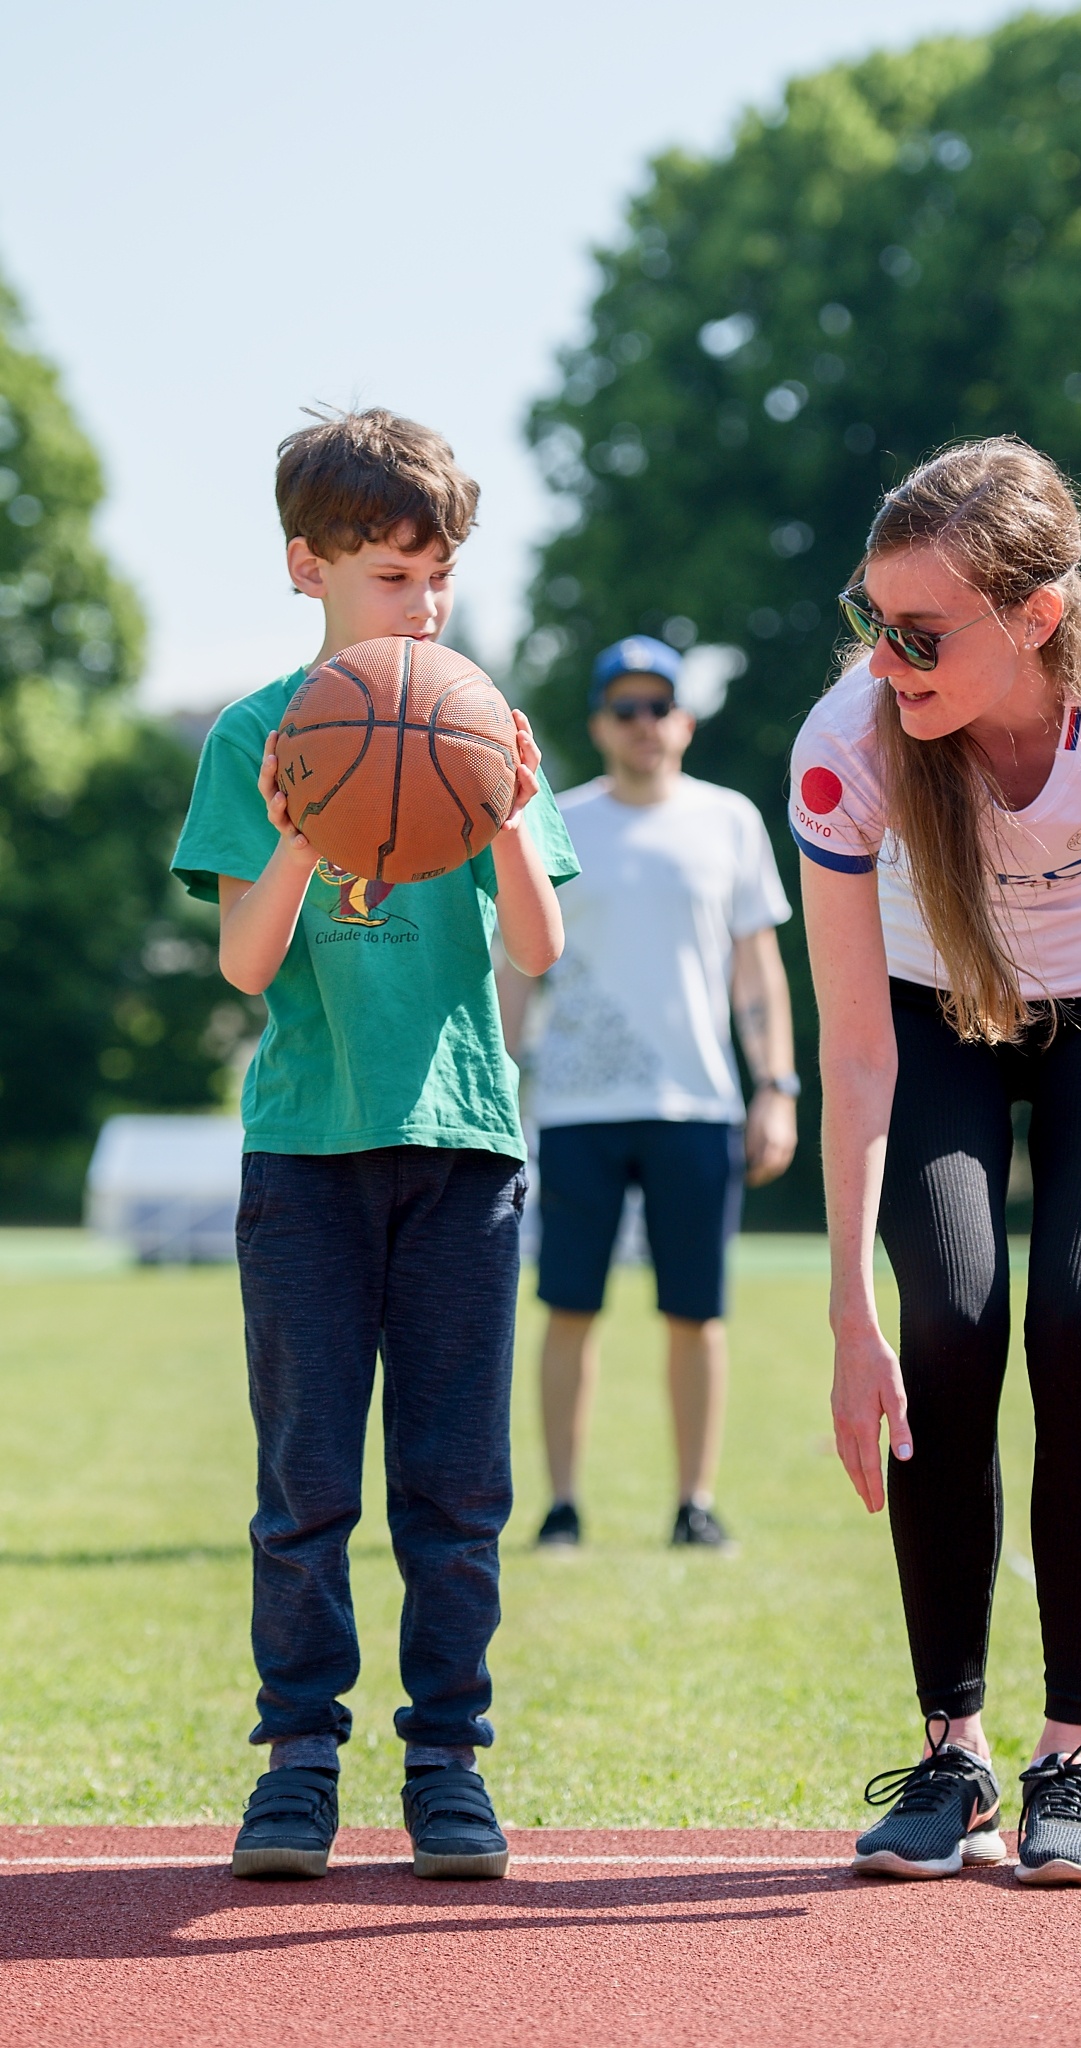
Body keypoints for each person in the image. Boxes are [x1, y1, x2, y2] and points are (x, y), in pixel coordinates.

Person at [791, 438, 1081, 1886]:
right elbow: (856, 1054)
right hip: (929, 1016)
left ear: (1034, 617)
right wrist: (848, 1312)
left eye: (920, 634)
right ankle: (953, 1751)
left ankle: (1071, 1758)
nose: (885, 660)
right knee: (947, 1315)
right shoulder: (847, 746)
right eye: (871, 622)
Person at [171, 408, 578, 1882]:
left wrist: (510, 816)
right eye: (394, 574)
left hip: (464, 1142)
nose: (423, 602)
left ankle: (447, 1761)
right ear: (311, 566)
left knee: (457, 1487)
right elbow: (243, 963)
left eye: (439, 575)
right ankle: (297, 1759)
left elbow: (539, 945)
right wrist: (300, 827)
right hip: (307, 1150)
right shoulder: (254, 733)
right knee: (307, 1483)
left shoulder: (481, 721)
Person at [499, 635, 798, 1551]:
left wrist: (777, 1086)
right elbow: (520, 964)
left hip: (697, 1106)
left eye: (658, 706)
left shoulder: (729, 821)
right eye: (624, 709)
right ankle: (561, 1507)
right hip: (577, 1108)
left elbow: (758, 967)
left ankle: (693, 1504)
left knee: (696, 1314)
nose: (643, 724)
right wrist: (499, 1085)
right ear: (599, 724)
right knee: (569, 1308)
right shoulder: (557, 821)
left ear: (686, 721)